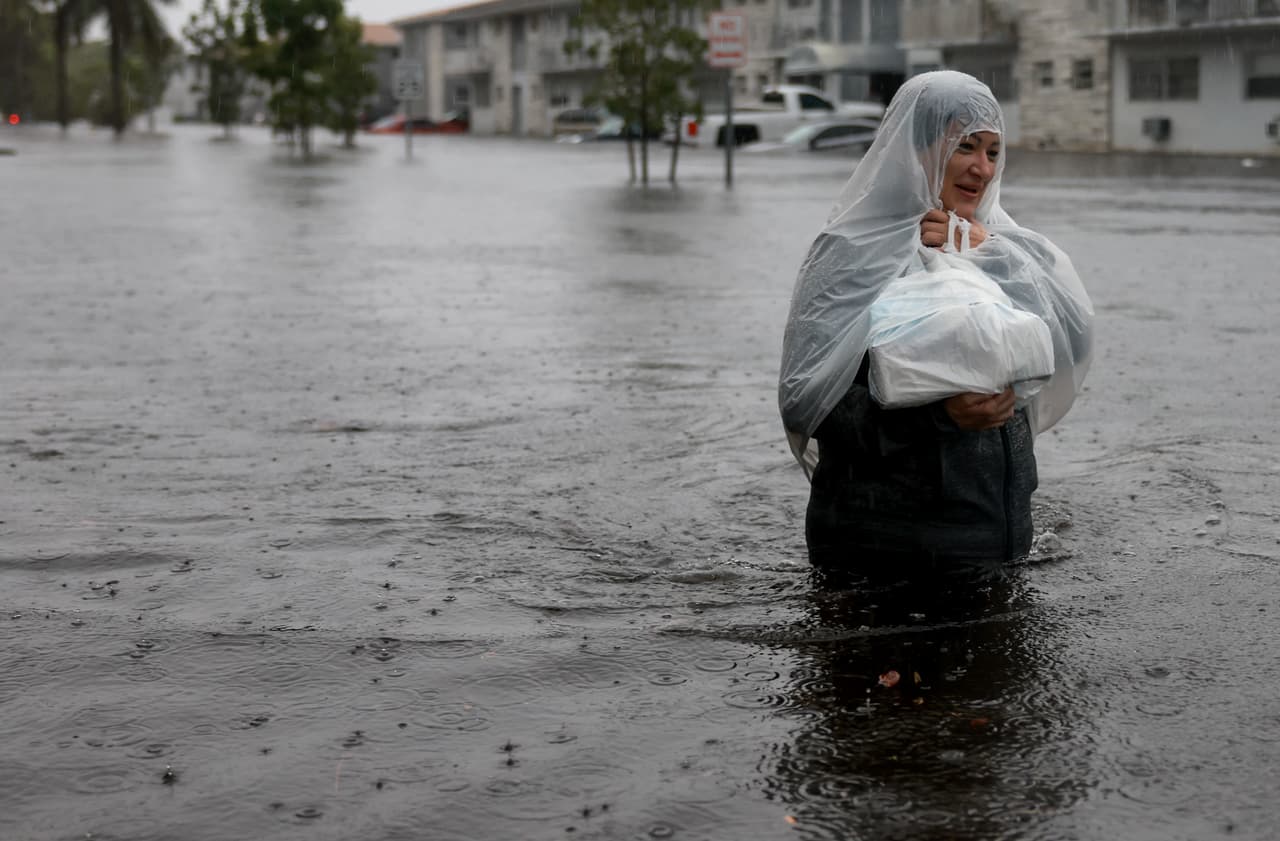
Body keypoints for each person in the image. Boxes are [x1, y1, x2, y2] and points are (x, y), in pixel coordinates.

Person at [778, 71, 1094, 576]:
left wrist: (986, 254)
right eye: (965, 146)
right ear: (915, 149)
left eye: (993, 151)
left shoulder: (1000, 245)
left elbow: (1073, 341)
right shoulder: (852, 252)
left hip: (994, 543)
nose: (982, 168)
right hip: (887, 561)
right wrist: (940, 417)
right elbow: (810, 403)